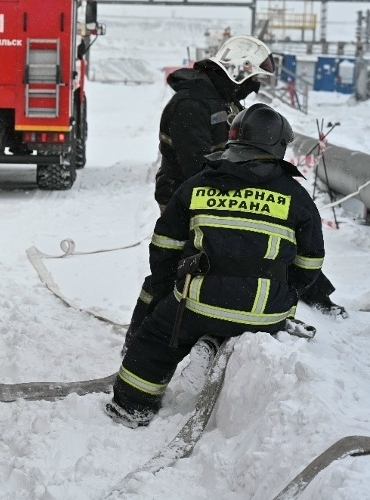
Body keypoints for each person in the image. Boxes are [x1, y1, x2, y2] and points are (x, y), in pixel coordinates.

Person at [107, 103, 326, 427]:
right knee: (232, 309)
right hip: (267, 311)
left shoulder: (199, 184)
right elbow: (311, 261)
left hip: (200, 301)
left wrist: (171, 291)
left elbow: (164, 245)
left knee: (155, 339)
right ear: (279, 147)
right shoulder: (295, 195)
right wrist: (284, 291)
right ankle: (214, 341)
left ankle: (131, 407)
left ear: (233, 140)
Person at [125, 36, 342, 348]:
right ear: (239, 71)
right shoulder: (192, 105)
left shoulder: (223, 99)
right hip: (187, 199)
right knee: (174, 268)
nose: (255, 87)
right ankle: (141, 340)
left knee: (244, 254)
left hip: (218, 191)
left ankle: (311, 300)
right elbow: (196, 169)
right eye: (253, 79)